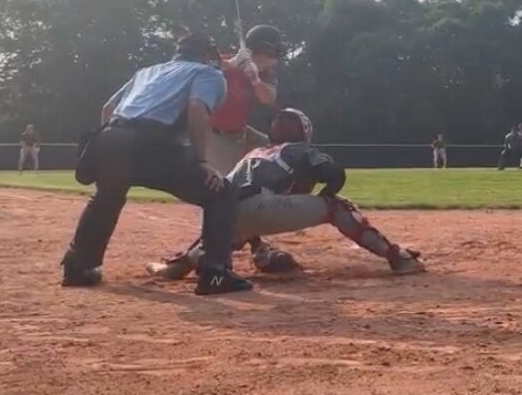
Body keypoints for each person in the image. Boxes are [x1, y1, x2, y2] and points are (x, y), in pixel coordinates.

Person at [62, 32, 251, 296]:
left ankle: (77, 267)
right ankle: (215, 273)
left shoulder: (148, 72)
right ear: (207, 56)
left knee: (107, 196)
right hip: (149, 141)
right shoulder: (207, 74)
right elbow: (197, 108)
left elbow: (108, 108)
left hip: (108, 138)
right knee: (222, 191)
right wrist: (201, 162)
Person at [146, 108, 425, 279]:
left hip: (227, 213)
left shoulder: (254, 153)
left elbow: (228, 199)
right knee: (337, 206)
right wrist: (327, 194)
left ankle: (180, 264)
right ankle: (397, 258)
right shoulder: (299, 149)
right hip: (264, 206)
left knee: (232, 226)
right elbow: (334, 173)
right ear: (303, 131)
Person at [206, 25, 286, 175]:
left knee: (272, 151)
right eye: (272, 52)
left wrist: (255, 80)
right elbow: (202, 70)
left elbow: (268, 98)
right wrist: (234, 64)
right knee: (229, 181)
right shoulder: (224, 62)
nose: (274, 59)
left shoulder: (266, 75)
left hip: (239, 131)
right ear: (260, 49)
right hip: (214, 134)